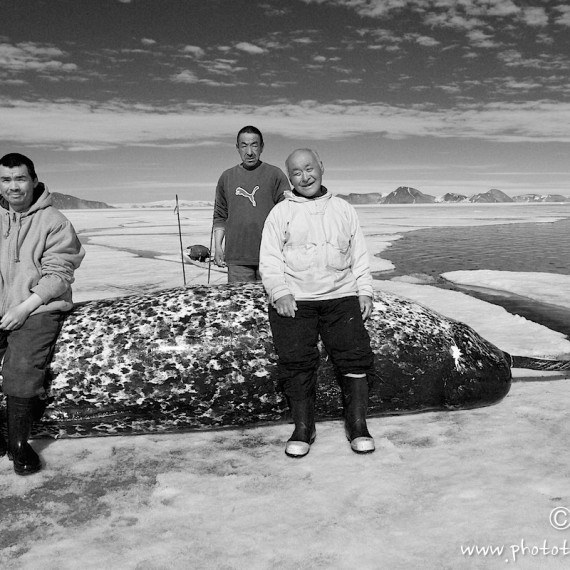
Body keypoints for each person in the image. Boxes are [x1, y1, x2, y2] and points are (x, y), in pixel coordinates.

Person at [259, 148, 375, 458]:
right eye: (296, 172)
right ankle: (303, 427)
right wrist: (279, 292)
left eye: (309, 169)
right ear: (290, 177)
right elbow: (269, 259)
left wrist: (364, 290)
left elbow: (358, 254)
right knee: (296, 360)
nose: (304, 176)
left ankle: (357, 424)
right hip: (298, 298)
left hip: (340, 295)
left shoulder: (343, 209)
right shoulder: (281, 213)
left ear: (321, 167)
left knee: (355, 357)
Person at [0, 153, 85, 475]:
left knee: (22, 365)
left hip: (38, 307)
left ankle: (19, 443)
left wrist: (24, 308)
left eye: (20, 179)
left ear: (33, 180)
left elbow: (59, 273)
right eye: (6, 180)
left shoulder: (54, 221)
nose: (13, 187)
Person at [213, 126, 290, 282]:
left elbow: (288, 213)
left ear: (262, 147)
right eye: (244, 145)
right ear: (237, 148)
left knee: (273, 304)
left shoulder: (275, 175)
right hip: (237, 259)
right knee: (240, 304)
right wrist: (218, 246)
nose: (249, 151)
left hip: (270, 257)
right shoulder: (227, 177)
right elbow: (220, 215)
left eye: (254, 145)